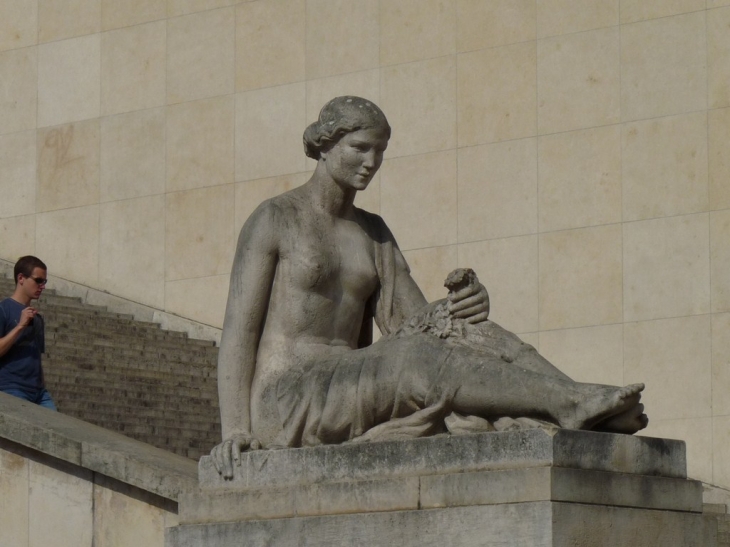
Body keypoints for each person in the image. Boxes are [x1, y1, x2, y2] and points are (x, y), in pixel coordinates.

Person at [212, 96, 647, 478]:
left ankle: (583, 405)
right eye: (359, 148)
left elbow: (423, 326)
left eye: (380, 151)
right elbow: (239, 332)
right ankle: (568, 402)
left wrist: (465, 305)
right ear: (324, 146)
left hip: (352, 380)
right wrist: (235, 430)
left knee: (466, 328)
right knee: (410, 360)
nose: (371, 162)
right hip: (288, 397)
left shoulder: (373, 233)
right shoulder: (275, 219)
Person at [0, 255, 56, 410]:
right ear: (21, 278)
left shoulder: (37, 318)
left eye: (44, 282)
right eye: (38, 280)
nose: (42, 286)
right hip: (12, 388)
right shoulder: (4, 309)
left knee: (56, 428)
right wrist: (20, 327)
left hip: (39, 393)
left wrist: (42, 386)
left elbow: (36, 358)